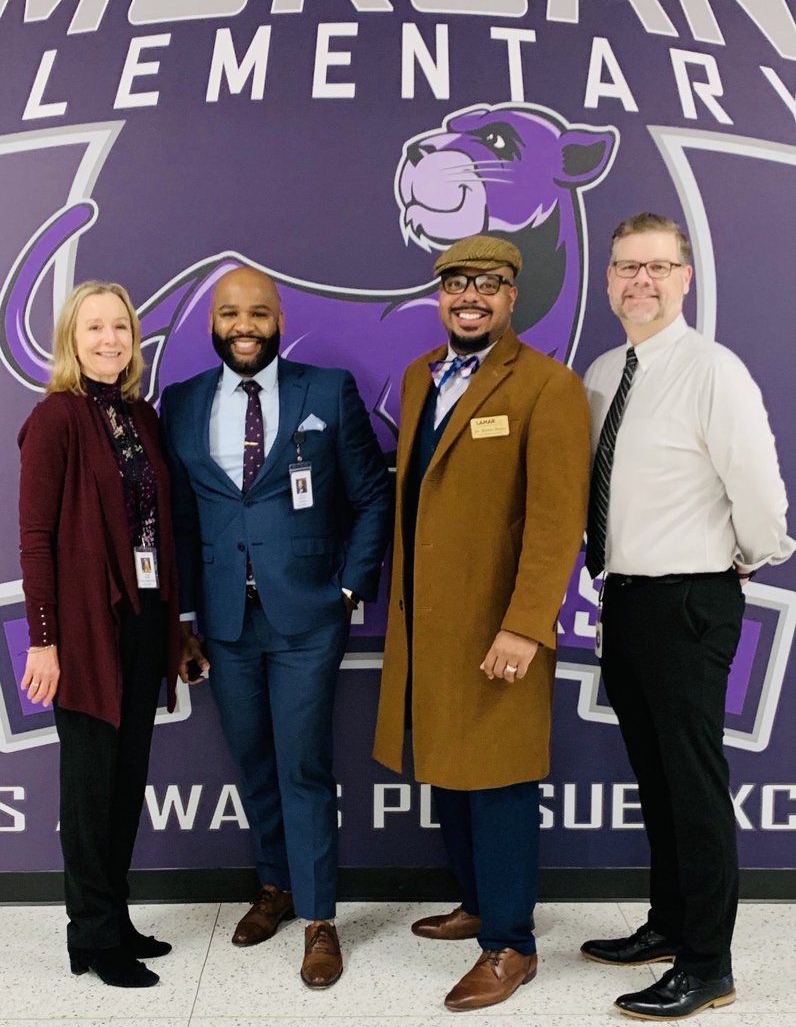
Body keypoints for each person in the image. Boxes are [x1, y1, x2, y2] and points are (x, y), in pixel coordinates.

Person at [580, 213, 794, 1021]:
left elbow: (765, 505)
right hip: (625, 598)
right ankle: (668, 926)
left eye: (658, 267)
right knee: (659, 781)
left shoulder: (714, 370)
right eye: (627, 267)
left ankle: (708, 964)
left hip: (689, 600)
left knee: (695, 789)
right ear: (607, 279)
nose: (641, 280)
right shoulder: (605, 370)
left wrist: (735, 560)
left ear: (685, 276)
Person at [373, 235, 590, 1012]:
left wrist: (526, 626)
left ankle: (512, 945)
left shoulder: (547, 386)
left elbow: (557, 520)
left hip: (499, 628)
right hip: (428, 624)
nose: (470, 296)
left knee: (498, 782)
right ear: (439, 296)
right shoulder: (417, 377)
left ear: (511, 296)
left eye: (488, 284)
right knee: (451, 773)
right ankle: (476, 905)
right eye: (456, 284)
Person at [159, 265, 391, 988]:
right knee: (254, 764)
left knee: (302, 766)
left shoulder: (326, 391)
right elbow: (183, 519)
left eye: (259, 312)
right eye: (231, 314)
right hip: (225, 622)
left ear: (279, 319)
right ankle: (275, 886)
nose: (245, 326)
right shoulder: (182, 401)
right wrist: (187, 619)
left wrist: (349, 587)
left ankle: (320, 919)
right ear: (213, 325)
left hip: (306, 616)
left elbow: (372, 496)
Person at [18, 280, 182, 988]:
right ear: (71, 340)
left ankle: (113, 917)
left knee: (125, 781)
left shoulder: (141, 416)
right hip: (85, 630)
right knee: (90, 789)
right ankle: (90, 935)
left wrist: (172, 628)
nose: (110, 338)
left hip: (143, 620)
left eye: (121, 326)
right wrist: (44, 639)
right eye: (94, 328)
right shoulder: (55, 417)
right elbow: (35, 538)